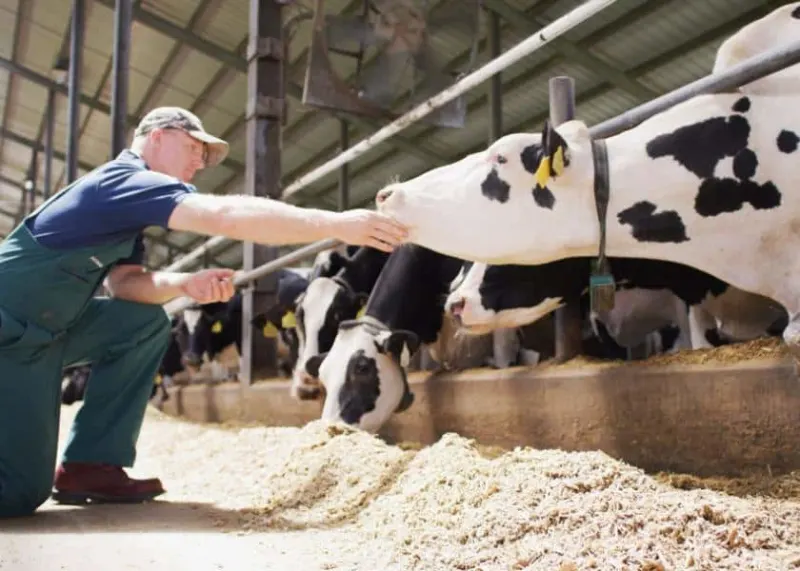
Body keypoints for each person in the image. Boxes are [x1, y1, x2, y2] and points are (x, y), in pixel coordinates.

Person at [0, 106, 408, 517]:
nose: (201, 161)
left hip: (47, 333)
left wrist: (184, 284)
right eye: (194, 146)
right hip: (9, 330)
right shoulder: (123, 181)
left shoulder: (129, 218)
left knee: (141, 324)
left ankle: (90, 465)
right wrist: (335, 223)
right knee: (19, 493)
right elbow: (223, 215)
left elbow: (124, 285)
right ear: (157, 136)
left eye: (206, 155)